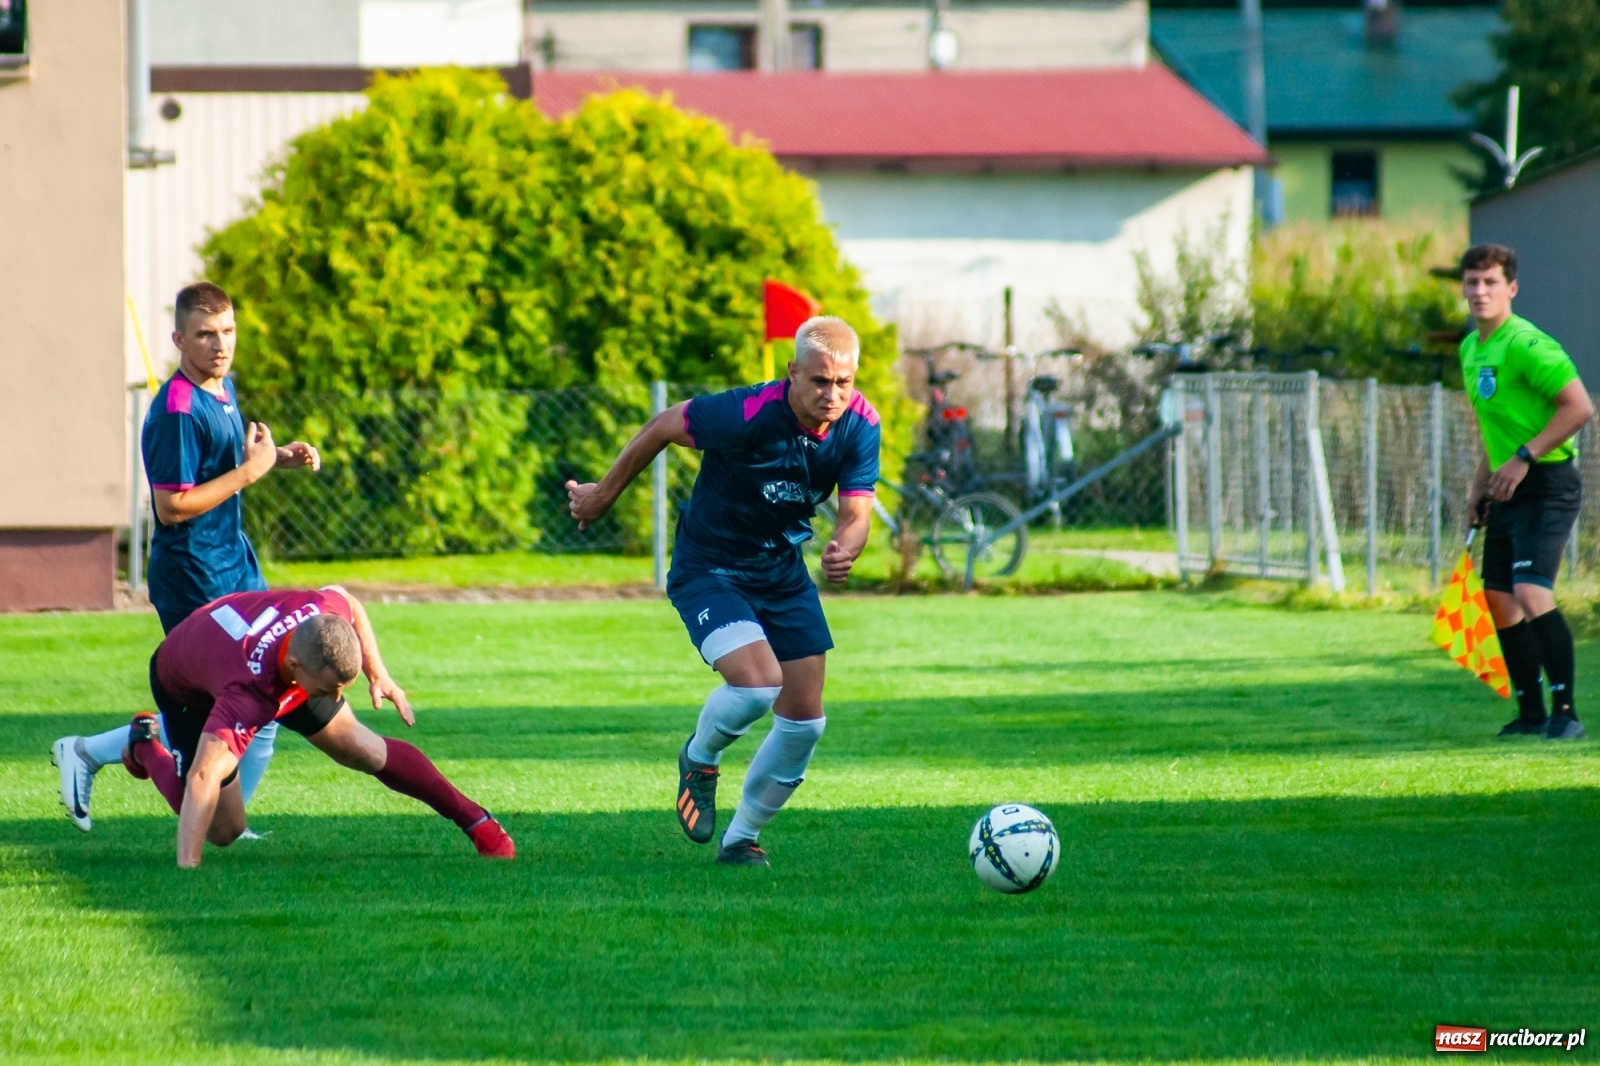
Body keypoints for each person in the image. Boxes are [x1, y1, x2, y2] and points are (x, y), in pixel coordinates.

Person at [566, 316, 880, 866]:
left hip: (781, 571)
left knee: (806, 723)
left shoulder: (860, 423)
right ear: (792, 374)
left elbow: (857, 512)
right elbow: (663, 425)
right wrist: (602, 496)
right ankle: (700, 756)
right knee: (758, 686)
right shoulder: (746, 412)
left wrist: (846, 545)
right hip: (709, 567)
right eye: (820, 381)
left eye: (844, 383)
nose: (833, 395)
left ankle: (740, 841)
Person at [52, 282, 322, 831]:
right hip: (194, 575)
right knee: (228, 702)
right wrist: (251, 471)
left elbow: (220, 468)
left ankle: (230, 818)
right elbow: (173, 506)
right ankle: (99, 751)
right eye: (204, 334)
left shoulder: (221, 386)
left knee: (271, 694)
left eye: (227, 332)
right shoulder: (176, 407)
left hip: (235, 564)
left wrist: (276, 460)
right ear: (179, 339)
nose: (219, 344)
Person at [125, 584, 514, 867]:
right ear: (298, 669)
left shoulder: (322, 611)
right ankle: (145, 744)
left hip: (269, 660)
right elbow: (203, 776)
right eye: (329, 689)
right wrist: (187, 873)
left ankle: (477, 822)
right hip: (188, 687)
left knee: (360, 746)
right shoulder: (247, 691)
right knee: (223, 828)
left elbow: (349, 600)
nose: (334, 697)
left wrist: (378, 672)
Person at [1459, 244, 1594, 740]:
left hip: (1548, 483)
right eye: (1472, 282)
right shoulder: (1471, 349)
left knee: (1530, 591)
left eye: (1490, 282)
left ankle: (1567, 714)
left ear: (1511, 288)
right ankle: (1531, 714)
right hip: (1507, 484)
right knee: (1498, 598)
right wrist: (1479, 488)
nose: (1480, 292)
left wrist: (1524, 458)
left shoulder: (1527, 344)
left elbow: (1578, 407)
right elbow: (1492, 426)